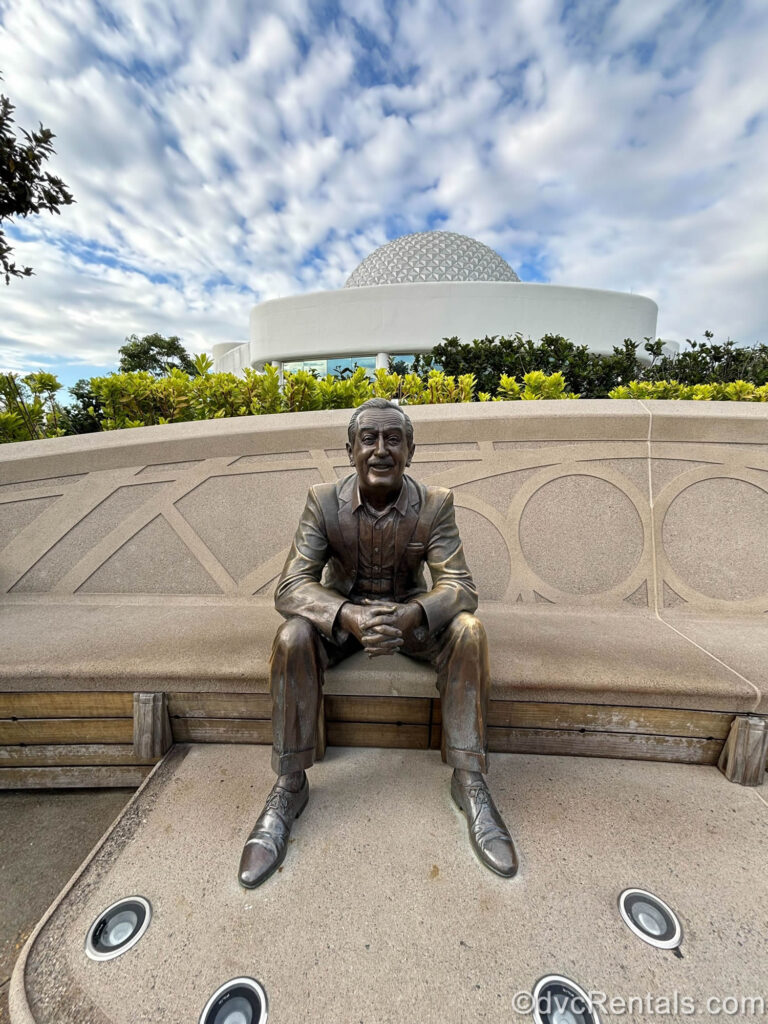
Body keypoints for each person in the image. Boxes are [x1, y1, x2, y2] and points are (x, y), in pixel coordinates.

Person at [238, 398, 517, 888]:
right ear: (350, 451)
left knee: (469, 630)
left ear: (411, 449)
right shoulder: (322, 501)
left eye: (394, 439)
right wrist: (346, 614)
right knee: (292, 633)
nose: (381, 450)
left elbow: (461, 586)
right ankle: (289, 783)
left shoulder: (435, 504)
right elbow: (290, 587)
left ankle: (469, 778)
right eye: (369, 439)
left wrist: (413, 614)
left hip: (408, 622)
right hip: (343, 623)